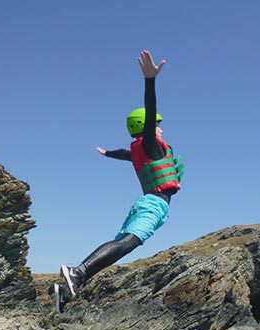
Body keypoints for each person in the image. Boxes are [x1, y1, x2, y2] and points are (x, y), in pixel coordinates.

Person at [54, 50, 184, 313]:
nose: (160, 128)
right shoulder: (151, 144)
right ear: (146, 126)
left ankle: (66, 289)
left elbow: (125, 155)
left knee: (121, 242)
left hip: (149, 203)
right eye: (157, 125)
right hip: (154, 204)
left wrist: (107, 153)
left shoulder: (142, 151)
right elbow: (151, 111)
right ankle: (77, 273)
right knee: (130, 242)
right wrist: (150, 81)